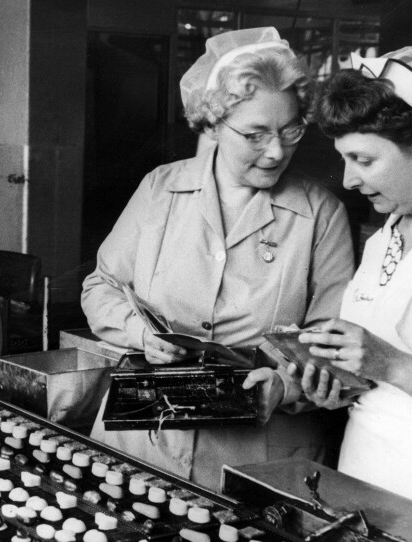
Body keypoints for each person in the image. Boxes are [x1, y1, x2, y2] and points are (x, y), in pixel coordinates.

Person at [81, 28, 355, 490]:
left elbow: (339, 349)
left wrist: (284, 387)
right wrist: (140, 333)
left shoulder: (320, 215)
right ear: (211, 124)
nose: (276, 151)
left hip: (258, 458)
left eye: (291, 131)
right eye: (256, 134)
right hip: (146, 437)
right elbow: (100, 286)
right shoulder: (161, 189)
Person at [296, 47, 412, 500]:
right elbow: (373, 379)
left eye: (364, 160)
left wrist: (392, 363)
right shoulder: (384, 237)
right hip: (363, 476)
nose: (347, 180)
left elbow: (391, 364)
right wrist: (336, 385)